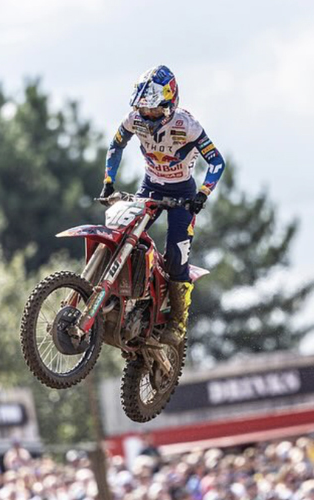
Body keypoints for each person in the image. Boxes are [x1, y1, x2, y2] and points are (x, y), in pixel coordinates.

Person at [100, 65, 226, 346]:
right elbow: (115, 145)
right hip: (150, 187)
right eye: (144, 110)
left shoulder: (187, 125)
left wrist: (203, 194)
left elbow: (217, 161)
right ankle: (116, 295)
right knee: (122, 232)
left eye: (154, 110)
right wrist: (108, 181)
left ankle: (177, 323)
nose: (148, 116)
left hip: (183, 195)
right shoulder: (134, 118)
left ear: (170, 104)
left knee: (176, 257)